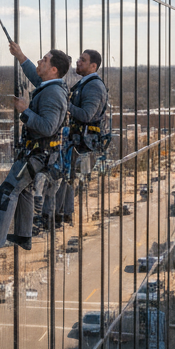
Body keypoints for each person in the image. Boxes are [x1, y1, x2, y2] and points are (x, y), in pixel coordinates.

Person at [0, 46, 70, 262]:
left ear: (54, 69)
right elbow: (33, 74)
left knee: (8, 191)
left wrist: (25, 110)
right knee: (25, 191)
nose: (40, 61)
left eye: (44, 60)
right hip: (40, 155)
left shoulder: (53, 94)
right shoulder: (50, 86)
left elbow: (48, 128)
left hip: (37, 156)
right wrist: (20, 56)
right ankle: (23, 235)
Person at [24, 46, 109, 229]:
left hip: (82, 143)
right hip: (78, 142)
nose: (78, 62)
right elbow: (42, 80)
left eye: (83, 60)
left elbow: (86, 115)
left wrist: (65, 103)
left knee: (60, 177)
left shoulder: (93, 86)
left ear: (93, 66)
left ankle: (53, 216)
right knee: (62, 177)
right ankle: (55, 216)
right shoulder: (86, 83)